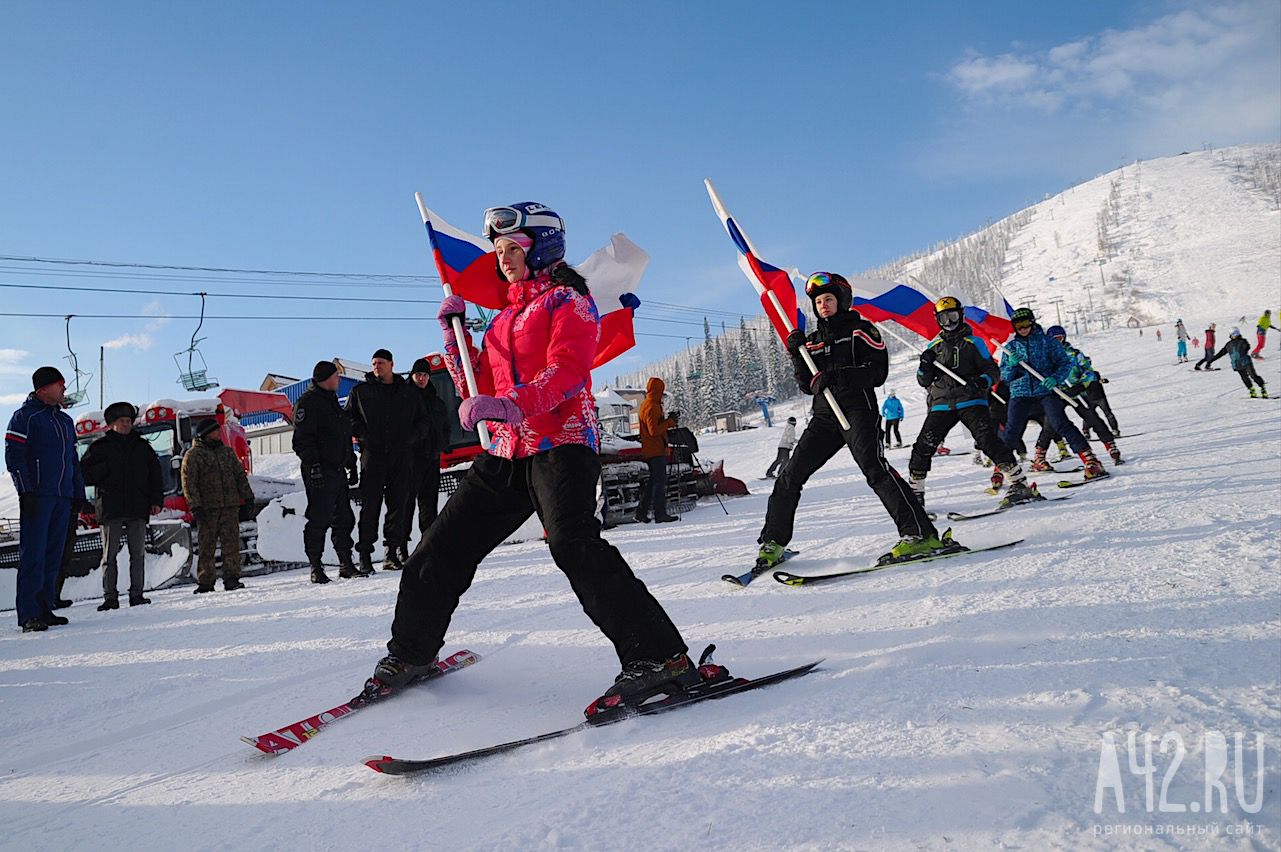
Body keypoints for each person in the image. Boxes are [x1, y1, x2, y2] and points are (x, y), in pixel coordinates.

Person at [374, 201, 706, 717]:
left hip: (562, 444)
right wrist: (456, 341)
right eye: (499, 250)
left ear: (542, 247)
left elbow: (568, 373)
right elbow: (476, 389)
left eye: (513, 248)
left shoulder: (567, 301)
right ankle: (411, 653)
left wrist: (510, 404)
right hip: (507, 451)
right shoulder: (503, 317)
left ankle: (659, 657)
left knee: (574, 545)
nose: (503, 258)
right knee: (440, 548)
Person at [757, 272, 949, 569]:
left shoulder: (861, 331)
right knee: (790, 475)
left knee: (875, 470)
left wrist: (837, 376)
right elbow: (808, 384)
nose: (823, 305)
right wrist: (797, 353)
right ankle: (773, 541)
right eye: (818, 301)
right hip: (824, 417)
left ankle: (919, 534)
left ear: (842, 301)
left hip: (858, 409)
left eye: (829, 299)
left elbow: (877, 373)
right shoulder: (813, 341)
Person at [908, 297, 1036, 507]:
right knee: (924, 444)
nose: (949, 322)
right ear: (937, 320)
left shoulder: (974, 342)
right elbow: (923, 380)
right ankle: (915, 493)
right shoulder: (934, 346)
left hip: (971, 400)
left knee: (987, 440)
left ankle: (1018, 482)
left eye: (953, 316)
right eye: (943, 318)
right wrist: (924, 364)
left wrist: (981, 382)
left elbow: (992, 371)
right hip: (942, 403)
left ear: (961, 315)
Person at [5, 366, 85, 632]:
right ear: (43, 389)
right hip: (38, 496)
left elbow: (72, 461)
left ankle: (45, 607)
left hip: (62, 496)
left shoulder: (64, 421)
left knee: (54, 554)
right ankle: (28, 614)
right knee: (34, 555)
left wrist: (77, 494)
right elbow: (14, 458)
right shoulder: (25, 417)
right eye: (60, 384)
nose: (64, 388)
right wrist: (26, 491)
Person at [999, 308, 1107, 479]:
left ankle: (1089, 459)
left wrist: (1055, 379)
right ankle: (1002, 466)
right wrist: (1011, 365)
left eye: (1026, 324)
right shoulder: (1011, 348)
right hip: (1021, 393)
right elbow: (1005, 377)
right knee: (1012, 429)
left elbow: (1065, 364)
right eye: (1018, 326)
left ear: (1032, 322)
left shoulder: (1048, 342)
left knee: (1059, 422)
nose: (1023, 328)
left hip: (1046, 390)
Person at [346, 349, 427, 573]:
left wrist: (411, 438)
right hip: (373, 456)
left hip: (401, 456)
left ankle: (391, 552)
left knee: (397, 505)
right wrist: (364, 436)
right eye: (373, 363)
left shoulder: (408, 393)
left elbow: (423, 422)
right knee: (370, 506)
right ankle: (364, 554)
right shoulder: (360, 392)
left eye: (381, 362)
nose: (376, 366)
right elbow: (349, 419)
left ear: (392, 364)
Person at [80, 402, 162, 609]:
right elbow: (84, 475)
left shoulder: (143, 447)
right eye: (122, 421)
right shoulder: (99, 448)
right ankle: (110, 597)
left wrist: (156, 501)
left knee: (138, 553)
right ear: (112, 424)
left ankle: (137, 594)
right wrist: (106, 469)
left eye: (128, 421)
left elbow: (155, 476)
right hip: (111, 508)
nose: (126, 424)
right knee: (109, 556)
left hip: (138, 507)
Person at [293, 360, 359, 583]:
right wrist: (315, 466)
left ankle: (346, 563)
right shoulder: (308, 403)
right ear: (326, 379)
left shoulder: (331, 402)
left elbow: (341, 435)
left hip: (337, 470)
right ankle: (315, 566)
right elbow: (302, 440)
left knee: (344, 518)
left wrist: (350, 461)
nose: (339, 380)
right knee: (319, 519)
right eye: (336, 377)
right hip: (319, 471)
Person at [1028, 327, 1123, 467]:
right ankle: (1039, 456)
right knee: (1050, 423)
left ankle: (1111, 446)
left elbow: (1089, 372)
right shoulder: (1045, 356)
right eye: (1054, 340)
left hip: (1076, 391)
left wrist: (1081, 385)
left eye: (1060, 338)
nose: (1058, 342)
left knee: (1092, 418)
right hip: (1057, 393)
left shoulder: (1074, 354)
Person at [181, 418, 254, 593]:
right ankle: (206, 582)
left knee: (232, 544)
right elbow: (189, 483)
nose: (218, 433)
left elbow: (239, 476)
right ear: (205, 434)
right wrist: (195, 506)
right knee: (207, 546)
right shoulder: (193, 455)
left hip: (229, 507)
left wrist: (248, 498)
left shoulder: (227, 453)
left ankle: (232, 579)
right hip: (207, 510)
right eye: (214, 431)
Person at [400, 357, 451, 552]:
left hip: (432, 458)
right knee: (407, 504)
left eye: (425, 375)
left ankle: (429, 545)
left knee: (429, 504)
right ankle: (401, 546)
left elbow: (445, 426)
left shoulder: (436, 401)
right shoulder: (404, 399)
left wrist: (442, 444)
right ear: (412, 376)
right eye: (418, 375)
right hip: (411, 459)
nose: (421, 378)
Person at [635, 377, 679, 523]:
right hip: (655, 450)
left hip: (651, 449)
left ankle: (641, 512)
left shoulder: (646, 405)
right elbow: (654, 430)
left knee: (654, 482)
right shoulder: (652, 406)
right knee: (659, 482)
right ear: (658, 391)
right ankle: (660, 514)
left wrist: (666, 421)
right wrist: (670, 422)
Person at [1208, 328, 1268, 397]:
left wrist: (1244, 347)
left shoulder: (1242, 341)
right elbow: (1221, 353)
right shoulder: (1229, 344)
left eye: (1235, 334)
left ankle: (1262, 388)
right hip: (1237, 364)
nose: (1234, 336)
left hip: (1245, 362)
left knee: (1253, 376)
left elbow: (1247, 347)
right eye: (1233, 334)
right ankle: (1252, 390)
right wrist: (1211, 361)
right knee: (1245, 378)